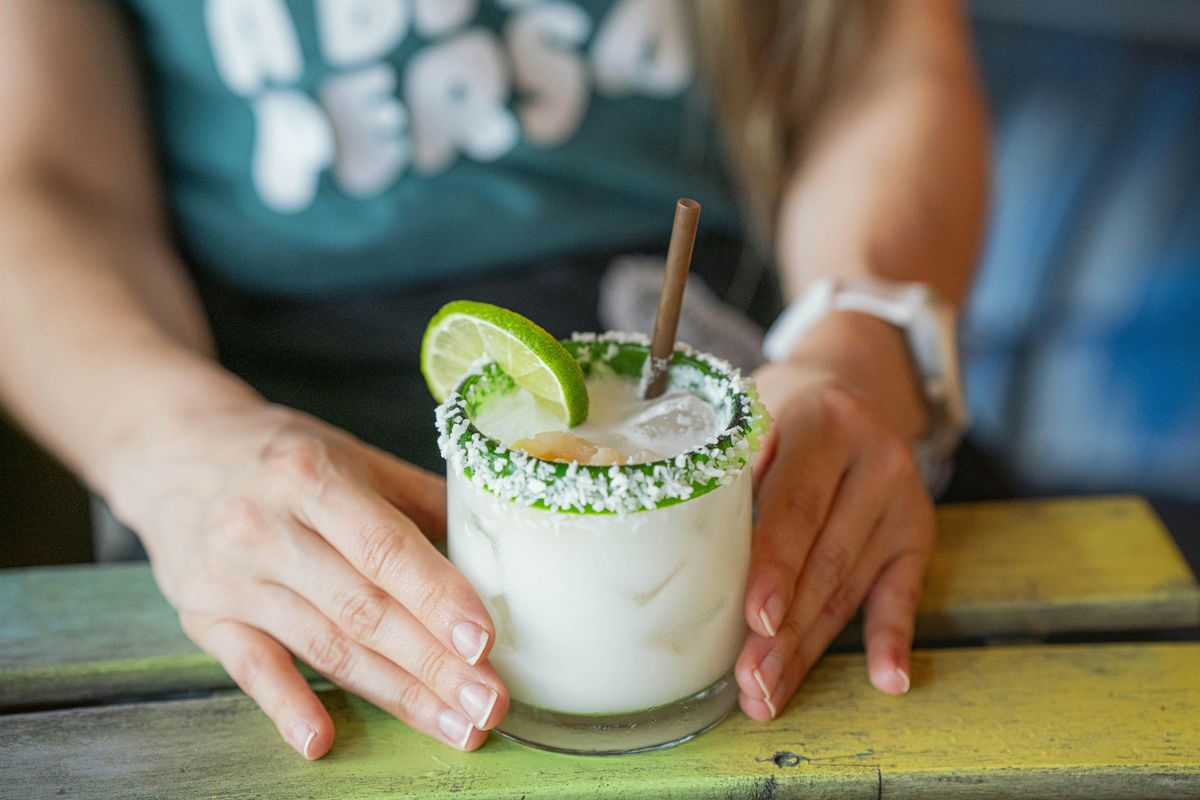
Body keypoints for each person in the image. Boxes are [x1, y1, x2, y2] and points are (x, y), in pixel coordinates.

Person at [0, 0, 987, 758]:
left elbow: (879, 60)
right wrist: (175, 445)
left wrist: (859, 338)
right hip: (258, 442)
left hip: (749, 394)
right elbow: (37, 178)